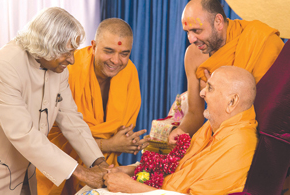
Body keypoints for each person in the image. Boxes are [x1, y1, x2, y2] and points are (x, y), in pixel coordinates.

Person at [0, 7, 110, 195]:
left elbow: (71, 118)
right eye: (66, 53)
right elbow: (23, 133)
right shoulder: (2, 67)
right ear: (45, 46)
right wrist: (82, 173)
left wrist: (99, 163)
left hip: (29, 172)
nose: (71, 60)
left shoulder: (58, 69)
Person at [103, 66, 258, 195]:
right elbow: (175, 168)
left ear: (232, 102)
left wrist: (130, 187)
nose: (201, 93)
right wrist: (129, 170)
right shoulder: (212, 128)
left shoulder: (239, 144)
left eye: (210, 88)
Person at [36, 18, 150, 195]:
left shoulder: (129, 73)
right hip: (55, 173)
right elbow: (49, 135)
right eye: (109, 51)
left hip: (102, 172)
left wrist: (129, 142)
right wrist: (110, 144)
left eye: (124, 53)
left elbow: (121, 129)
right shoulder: (68, 71)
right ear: (94, 46)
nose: (116, 60)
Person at [168, 0, 284, 144]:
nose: (191, 39)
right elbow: (195, 113)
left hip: (255, 138)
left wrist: (221, 92)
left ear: (218, 22)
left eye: (197, 31)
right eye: (187, 32)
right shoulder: (193, 55)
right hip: (216, 138)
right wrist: (181, 131)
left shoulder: (260, 41)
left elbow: (273, 109)